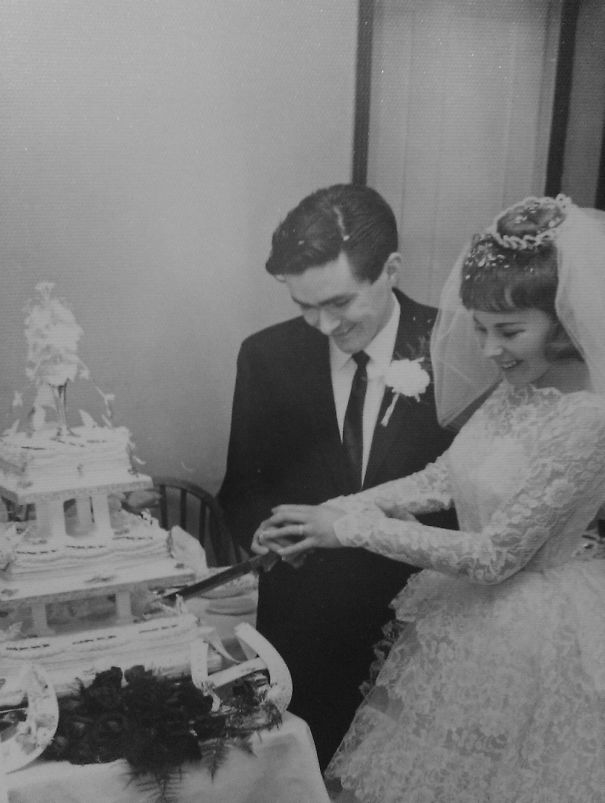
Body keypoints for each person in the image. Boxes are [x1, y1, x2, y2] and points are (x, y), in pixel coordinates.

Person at [254, 194, 605, 801]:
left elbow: (494, 557)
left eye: (509, 331)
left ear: (562, 319)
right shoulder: (520, 387)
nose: (489, 349)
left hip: (532, 635)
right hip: (470, 621)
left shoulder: (589, 419)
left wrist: (350, 528)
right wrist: (340, 507)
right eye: (481, 329)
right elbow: (443, 476)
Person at [218, 184, 456, 768]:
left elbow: (471, 499)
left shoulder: (457, 349)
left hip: (424, 630)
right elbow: (241, 487)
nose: (322, 324)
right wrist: (263, 534)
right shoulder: (265, 356)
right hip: (305, 632)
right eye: (304, 305)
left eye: (340, 302)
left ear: (391, 270)